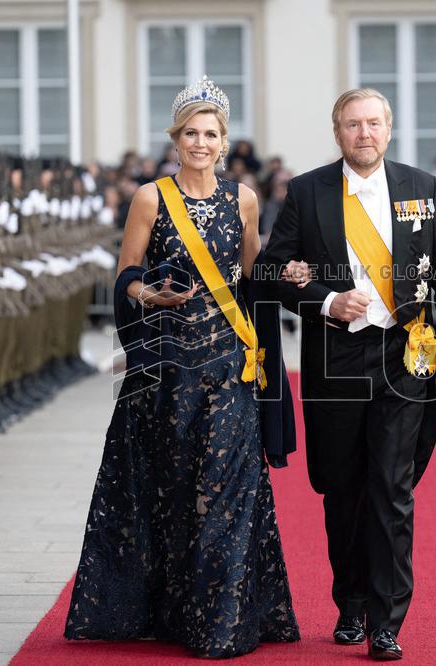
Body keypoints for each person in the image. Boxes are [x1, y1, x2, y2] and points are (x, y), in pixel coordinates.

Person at [65, 77, 299, 658]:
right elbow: (126, 274)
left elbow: (252, 278)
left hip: (230, 364)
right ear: (175, 140)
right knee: (171, 489)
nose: (200, 143)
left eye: (210, 134)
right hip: (169, 367)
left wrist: (291, 275)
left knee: (227, 488)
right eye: (191, 134)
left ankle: (221, 622)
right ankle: (172, 612)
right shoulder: (151, 198)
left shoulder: (245, 199)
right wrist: (151, 294)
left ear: (224, 142)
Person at [264, 88, 436, 661]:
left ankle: (387, 620)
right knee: (341, 487)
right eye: (353, 125)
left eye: (374, 123)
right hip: (335, 358)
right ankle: (350, 604)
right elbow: (274, 272)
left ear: (389, 128)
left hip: (405, 357)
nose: (364, 134)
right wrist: (327, 300)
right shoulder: (307, 191)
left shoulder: (420, 188)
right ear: (338, 133)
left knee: (392, 488)